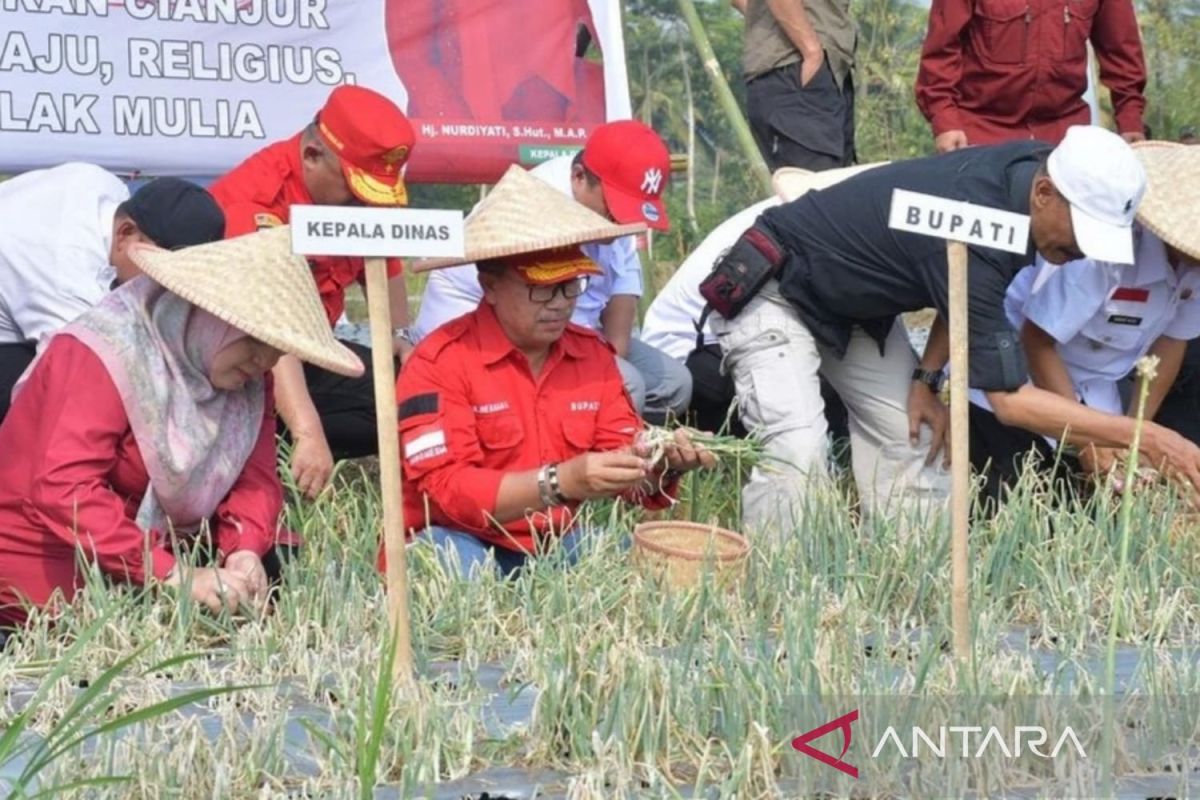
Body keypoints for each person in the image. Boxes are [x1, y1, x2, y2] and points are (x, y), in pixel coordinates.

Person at [704, 126, 1200, 535]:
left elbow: (957, 282)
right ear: (1045, 194)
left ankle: (914, 585)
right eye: (1083, 233)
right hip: (779, 284)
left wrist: (927, 379)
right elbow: (1009, 400)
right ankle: (780, 595)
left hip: (855, 312)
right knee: (799, 450)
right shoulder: (990, 214)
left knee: (911, 439)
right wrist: (1145, 437)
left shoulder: (1026, 176)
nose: (1087, 252)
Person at [0, 227, 364, 628]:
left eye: (277, 350)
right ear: (209, 317)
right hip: (51, 552)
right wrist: (170, 574)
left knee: (281, 571)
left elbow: (255, 477)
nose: (264, 361)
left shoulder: (248, 378)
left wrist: (243, 550)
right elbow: (64, 489)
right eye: (254, 342)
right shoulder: (106, 352)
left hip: (167, 550)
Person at [395, 167, 715, 579]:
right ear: (489, 285)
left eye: (571, 286)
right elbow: (448, 494)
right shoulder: (438, 363)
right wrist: (558, 483)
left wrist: (664, 463)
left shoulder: (590, 356)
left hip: (554, 544)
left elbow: (629, 467)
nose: (561, 303)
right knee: (459, 573)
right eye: (542, 288)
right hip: (454, 538)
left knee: (648, 567)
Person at [210, 84, 415, 499]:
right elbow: (268, 333)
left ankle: (277, 448)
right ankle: (268, 461)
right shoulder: (257, 202)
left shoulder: (353, 204)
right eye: (356, 189)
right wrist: (308, 429)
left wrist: (401, 341)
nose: (365, 204)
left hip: (307, 350)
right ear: (313, 156)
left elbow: (389, 294)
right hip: (233, 361)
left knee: (411, 396)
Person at [412, 120, 693, 424]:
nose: (621, 223)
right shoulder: (537, 204)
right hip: (491, 324)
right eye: (614, 211)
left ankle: (615, 445)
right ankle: (573, 460)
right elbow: (537, 313)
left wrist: (613, 357)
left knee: (671, 384)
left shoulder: (610, 200)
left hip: (567, 324)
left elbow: (623, 285)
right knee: (625, 386)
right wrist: (604, 374)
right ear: (579, 177)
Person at [968, 142, 1200, 505]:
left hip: (1097, 393)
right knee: (1027, 510)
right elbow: (1036, 341)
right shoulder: (1101, 250)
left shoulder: (1193, 269)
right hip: (1017, 385)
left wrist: (1136, 437)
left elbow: (1171, 343)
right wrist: (1086, 440)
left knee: (1110, 508)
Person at [642, 163, 884, 434]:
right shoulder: (772, 235)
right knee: (808, 388)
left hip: (745, 325)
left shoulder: (818, 218)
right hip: (692, 357)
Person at [0, 165, 224, 423]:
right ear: (125, 233)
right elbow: (84, 369)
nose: (170, 291)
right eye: (163, 275)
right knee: (83, 394)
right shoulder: (66, 278)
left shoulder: (103, 185)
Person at [915, 0, 1147, 151]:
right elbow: (941, 52)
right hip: (979, 135)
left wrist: (1130, 119)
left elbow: (1121, 50)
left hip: (1063, 139)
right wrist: (945, 122)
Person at [731, 0, 857, 171]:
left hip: (809, 69)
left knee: (833, 187)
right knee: (818, 188)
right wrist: (811, 50)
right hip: (799, 68)